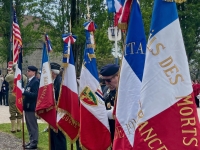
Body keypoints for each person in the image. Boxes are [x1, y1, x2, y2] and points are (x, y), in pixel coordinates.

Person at [99, 64, 119, 143]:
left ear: (117, 76)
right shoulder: (106, 90)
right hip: (109, 131)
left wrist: (114, 113)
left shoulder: (127, 91)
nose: (106, 83)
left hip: (122, 132)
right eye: (104, 80)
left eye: (108, 80)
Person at [5, 65, 27, 133]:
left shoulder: (11, 76)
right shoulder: (23, 77)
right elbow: (25, 84)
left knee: (12, 110)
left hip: (12, 94)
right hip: (20, 95)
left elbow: (6, 78)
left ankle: (13, 128)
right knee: (19, 109)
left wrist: (11, 72)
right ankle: (18, 127)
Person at [50, 62, 67, 150]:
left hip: (59, 113)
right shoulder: (54, 81)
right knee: (53, 135)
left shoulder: (60, 82)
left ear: (53, 73)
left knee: (59, 136)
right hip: (53, 113)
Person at [22, 66, 39, 149]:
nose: (27, 72)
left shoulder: (35, 81)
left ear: (33, 72)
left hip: (32, 106)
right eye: (27, 70)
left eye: (29, 71)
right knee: (29, 125)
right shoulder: (30, 81)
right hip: (27, 107)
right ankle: (31, 140)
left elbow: (35, 95)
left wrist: (24, 92)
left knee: (33, 125)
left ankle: (34, 142)